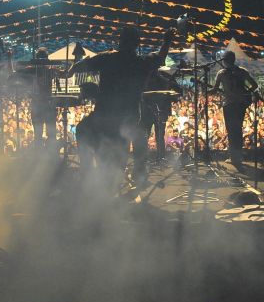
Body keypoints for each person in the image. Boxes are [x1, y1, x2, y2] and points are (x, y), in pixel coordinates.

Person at [68, 25, 176, 188]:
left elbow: (82, 65)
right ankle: (138, 174)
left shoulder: (107, 58)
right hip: (129, 118)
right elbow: (160, 58)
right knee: (140, 137)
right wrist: (167, 40)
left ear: (120, 42)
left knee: (82, 129)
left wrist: (71, 69)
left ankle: (87, 171)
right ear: (137, 44)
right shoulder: (141, 62)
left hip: (103, 117)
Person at [209, 50, 258, 165]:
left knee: (231, 130)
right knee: (238, 129)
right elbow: (254, 85)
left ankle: (233, 157)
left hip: (229, 104)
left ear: (224, 61)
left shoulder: (222, 73)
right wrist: (246, 93)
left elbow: (215, 89)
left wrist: (208, 91)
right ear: (234, 59)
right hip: (241, 103)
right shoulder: (242, 71)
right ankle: (238, 157)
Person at [21, 47, 60, 147]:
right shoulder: (32, 71)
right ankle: (43, 152)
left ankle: (48, 152)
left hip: (45, 105)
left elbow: (66, 74)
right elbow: (67, 74)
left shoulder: (50, 71)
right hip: (40, 105)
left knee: (48, 134)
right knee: (40, 134)